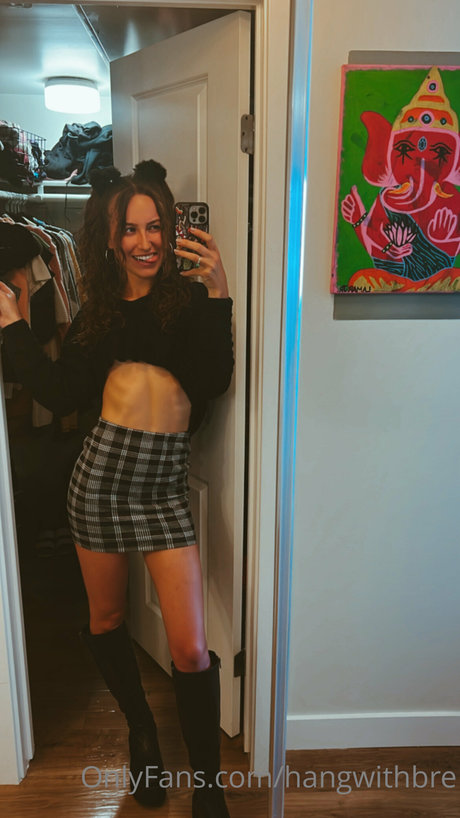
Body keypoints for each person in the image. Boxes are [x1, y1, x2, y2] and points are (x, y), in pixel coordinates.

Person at [0, 160, 234, 817]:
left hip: (163, 489)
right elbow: (58, 392)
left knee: (190, 648)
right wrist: (12, 323)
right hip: (100, 484)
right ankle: (142, 735)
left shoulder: (190, 302)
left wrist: (219, 290)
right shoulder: (97, 316)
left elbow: (213, 381)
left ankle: (209, 786)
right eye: (130, 229)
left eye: (155, 226)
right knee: (106, 621)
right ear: (109, 239)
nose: (144, 241)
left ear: (170, 229)